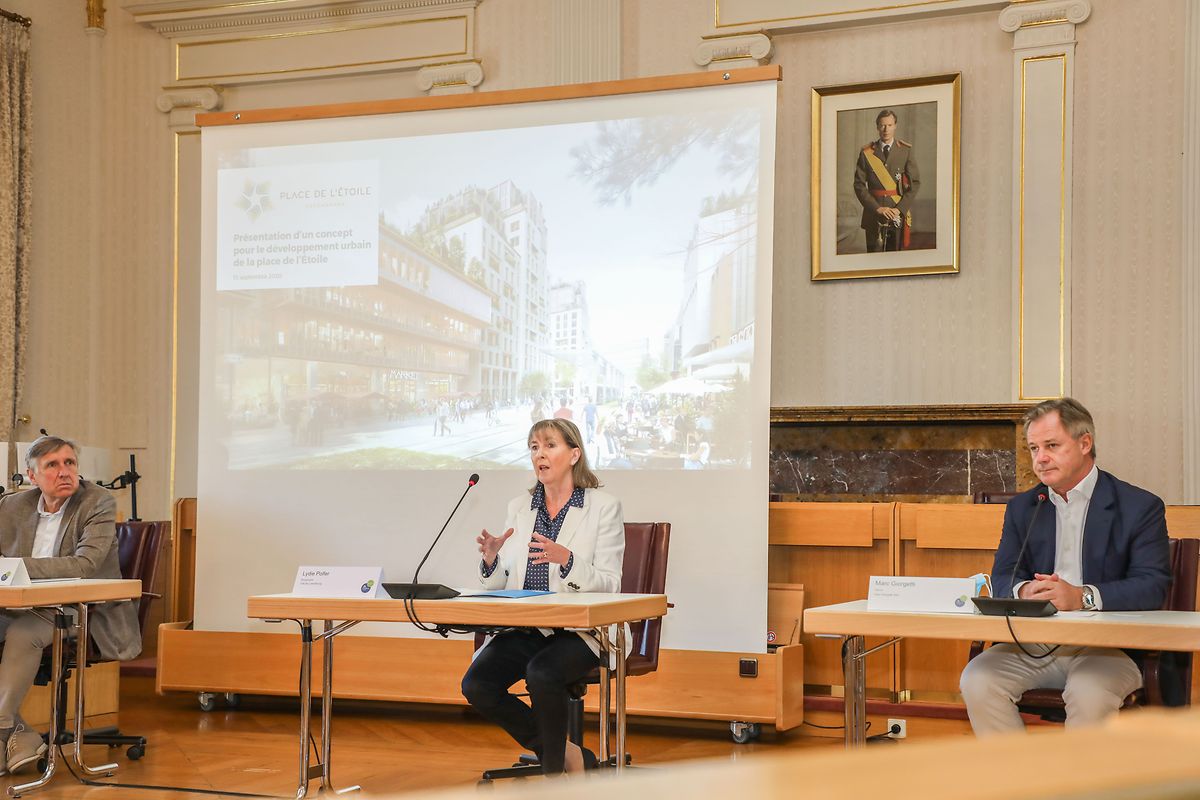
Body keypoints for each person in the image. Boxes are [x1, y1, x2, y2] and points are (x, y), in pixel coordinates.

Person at [959, 398, 1170, 735]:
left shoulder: (1138, 507)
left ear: (1084, 443)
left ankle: (1077, 773)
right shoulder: (1023, 508)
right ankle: (1017, 771)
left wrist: (1082, 596)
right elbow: (1003, 575)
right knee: (978, 679)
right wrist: (1024, 591)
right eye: (1034, 448)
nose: (1040, 458)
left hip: (1108, 648)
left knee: (1088, 693)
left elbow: (1152, 585)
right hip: (1035, 643)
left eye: (1052, 446)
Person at [462, 418, 625, 776]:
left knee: (542, 672)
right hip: (529, 627)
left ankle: (553, 777)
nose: (540, 455)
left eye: (550, 445)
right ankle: (567, 754)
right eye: (534, 447)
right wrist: (492, 560)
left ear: (574, 454)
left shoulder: (603, 507)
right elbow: (504, 583)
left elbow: (610, 584)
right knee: (477, 684)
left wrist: (568, 561)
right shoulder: (520, 507)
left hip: (582, 632)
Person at [0, 436, 140, 774]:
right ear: (32, 476)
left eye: (69, 463)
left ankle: (3, 728)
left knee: (24, 633)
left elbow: (84, 565)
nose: (64, 472)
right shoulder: (12, 505)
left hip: (80, 610)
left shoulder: (97, 501)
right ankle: (21, 733)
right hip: (19, 605)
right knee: (18, 624)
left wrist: (15, 567)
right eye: (52, 465)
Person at [853, 108, 920, 252]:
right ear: (877, 127)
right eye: (882, 125)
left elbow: (914, 183)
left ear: (895, 126)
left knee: (894, 258)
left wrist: (899, 209)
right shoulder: (866, 153)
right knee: (873, 258)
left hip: (896, 213)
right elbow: (859, 185)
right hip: (873, 214)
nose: (886, 129)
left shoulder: (905, 151)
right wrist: (877, 208)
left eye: (890, 125)